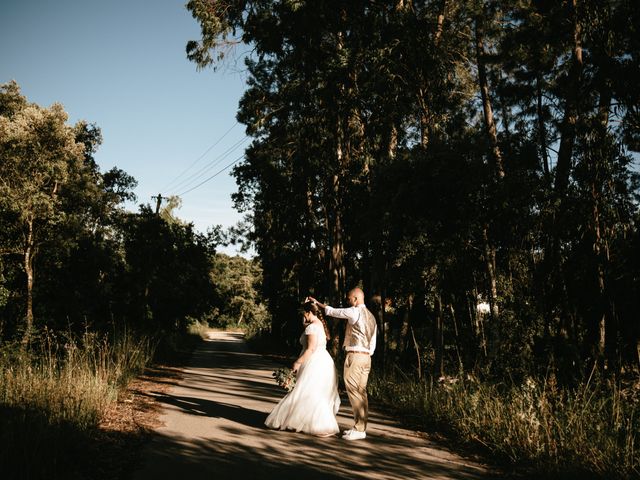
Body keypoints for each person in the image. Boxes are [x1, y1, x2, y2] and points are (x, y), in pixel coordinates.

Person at [307, 288, 377, 441]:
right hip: (367, 358)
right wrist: (366, 354)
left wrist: (317, 303)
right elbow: (373, 343)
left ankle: (358, 429)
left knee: (353, 391)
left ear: (356, 299)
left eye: (349, 299)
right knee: (362, 393)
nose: (348, 301)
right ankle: (361, 428)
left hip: (355, 356)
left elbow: (334, 312)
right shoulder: (372, 317)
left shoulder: (354, 311)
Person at [264, 301, 340, 437]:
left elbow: (310, 349)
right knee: (316, 392)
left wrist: (297, 362)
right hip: (324, 361)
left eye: (304, 314)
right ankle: (318, 423)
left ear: (309, 313)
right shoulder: (320, 325)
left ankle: (306, 422)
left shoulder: (311, 328)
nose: (303, 317)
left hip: (313, 361)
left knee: (305, 390)